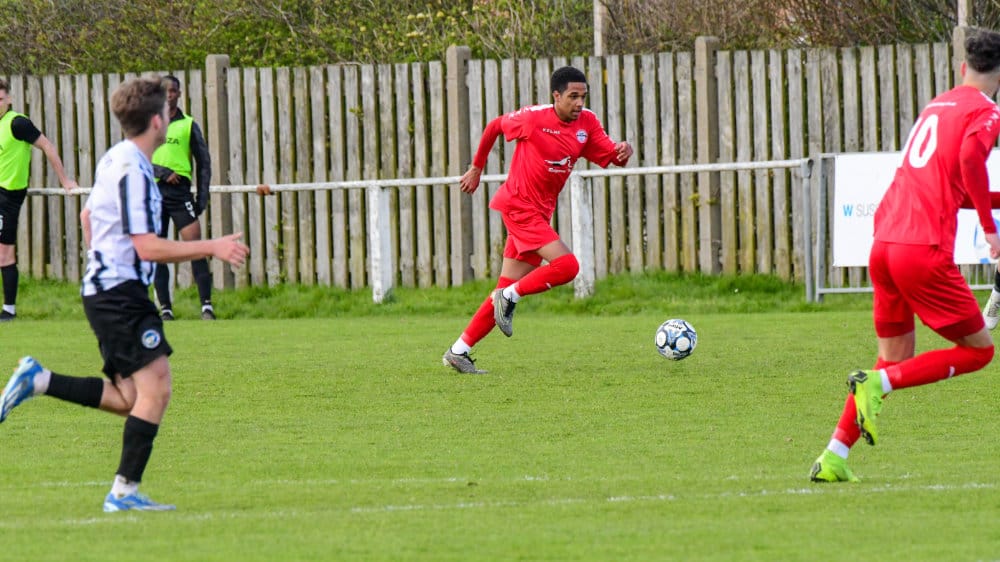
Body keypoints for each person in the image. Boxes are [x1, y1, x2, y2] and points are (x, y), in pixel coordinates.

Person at [0, 76, 249, 511]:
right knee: (157, 389)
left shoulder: (116, 157)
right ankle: (124, 492)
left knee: (131, 399)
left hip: (108, 290)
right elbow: (147, 247)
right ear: (157, 121)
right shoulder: (134, 171)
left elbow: (87, 216)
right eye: (166, 111)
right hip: (120, 294)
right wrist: (212, 246)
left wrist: (100, 260)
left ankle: (39, 380)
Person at [809, 29, 1000, 483]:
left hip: (885, 243)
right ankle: (876, 385)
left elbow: (953, 186)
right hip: (922, 250)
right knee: (979, 352)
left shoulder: (938, 105)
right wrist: (991, 232)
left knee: (892, 357)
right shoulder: (986, 111)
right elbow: (971, 162)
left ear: (962, 69)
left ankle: (834, 456)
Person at [442, 66, 633, 374]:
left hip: (539, 213)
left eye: (583, 96)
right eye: (573, 96)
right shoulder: (533, 119)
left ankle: (458, 351)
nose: (579, 103)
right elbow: (495, 126)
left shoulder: (587, 123)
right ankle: (508, 297)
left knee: (506, 284)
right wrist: (476, 168)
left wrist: (624, 150)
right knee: (567, 267)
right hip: (519, 206)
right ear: (556, 95)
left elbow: (612, 156)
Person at [0, 78, 79, 321]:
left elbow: (47, 146)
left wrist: (65, 180)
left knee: (4, 253)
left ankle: (9, 310)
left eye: (0, 99)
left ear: (9, 98)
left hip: (7, 195)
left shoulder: (17, 123)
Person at [151, 75, 214, 321]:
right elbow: (134, 156)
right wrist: (162, 172)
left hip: (180, 193)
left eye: (173, 91)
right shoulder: (149, 123)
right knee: (158, 250)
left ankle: (206, 306)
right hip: (155, 192)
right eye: (165, 91)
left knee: (195, 247)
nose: (169, 95)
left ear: (179, 93)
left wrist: (202, 197)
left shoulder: (188, 124)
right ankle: (165, 308)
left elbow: (204, 162)